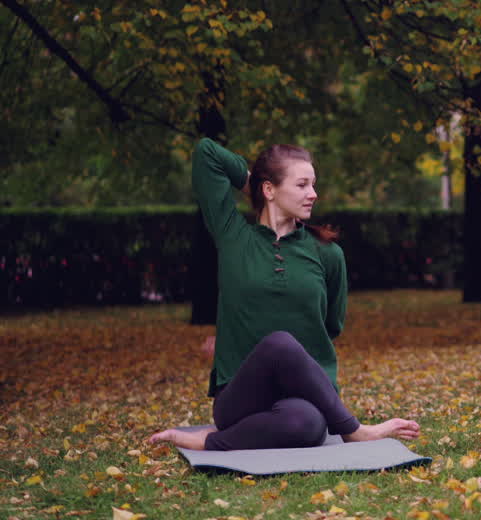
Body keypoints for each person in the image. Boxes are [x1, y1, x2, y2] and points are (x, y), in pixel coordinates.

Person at [149, 138, 419, 450]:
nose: (313, 194)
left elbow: (331, 325)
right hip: (241, 397)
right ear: (269, 190)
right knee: (279, 342)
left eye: (314, 184)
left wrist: (295, 368)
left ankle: (211, 442)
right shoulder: (234, 238)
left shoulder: (328, 253)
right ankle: (353, 430)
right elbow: (206, 153)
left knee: (305, 425)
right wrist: (252, 181)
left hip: (304, 397)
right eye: (302, 184)